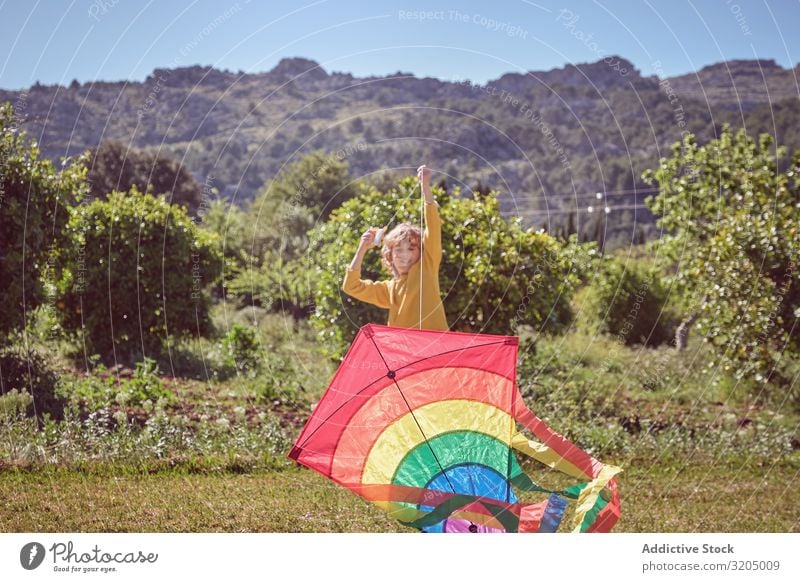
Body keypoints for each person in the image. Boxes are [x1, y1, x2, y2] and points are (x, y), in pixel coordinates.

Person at [342, 165, 448, 330]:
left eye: (411, 249)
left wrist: (425, 187)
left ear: (421, 251)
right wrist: (362, 248)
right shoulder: (388, 289)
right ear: (389, 256)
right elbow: (351, 286)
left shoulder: (427, 266)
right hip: (405, 354)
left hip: (436, 351)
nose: (405, 255)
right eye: (398, 250)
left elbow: (433, 227)